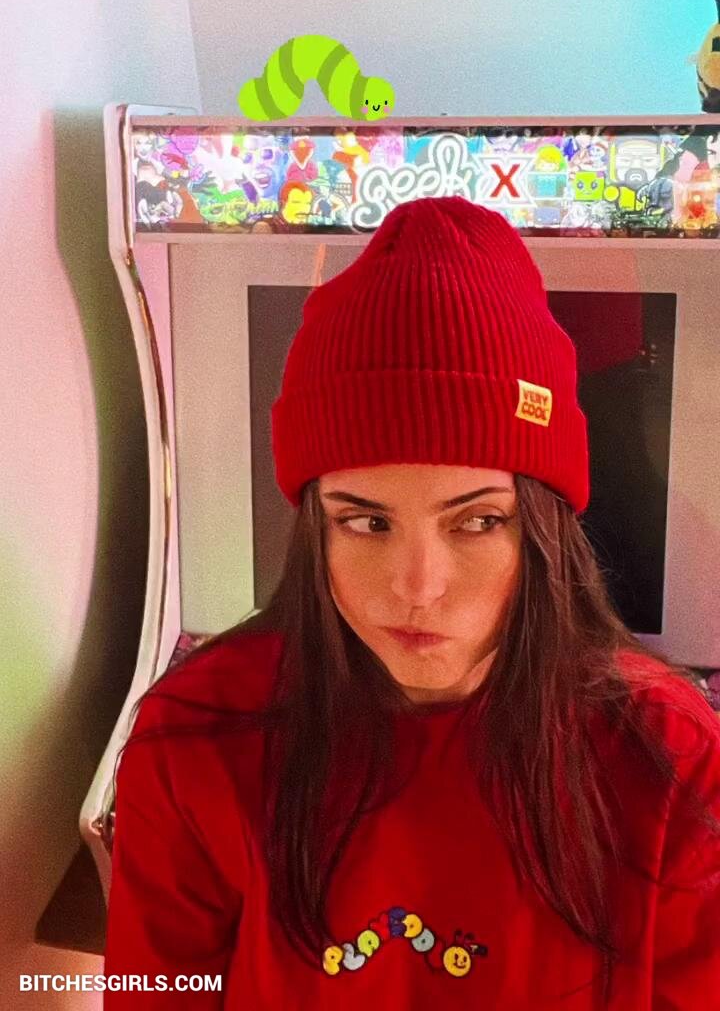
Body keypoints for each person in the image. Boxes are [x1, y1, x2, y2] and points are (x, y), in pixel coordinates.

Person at [103, 196, 720, 1008]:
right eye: (366, 522)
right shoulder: (197, 737)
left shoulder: (667, 754)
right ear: (314, 529)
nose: (418, 587)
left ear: (542, 530)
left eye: (477, 521)